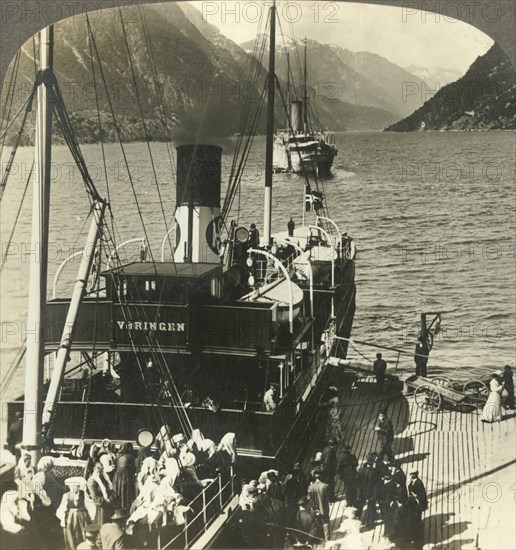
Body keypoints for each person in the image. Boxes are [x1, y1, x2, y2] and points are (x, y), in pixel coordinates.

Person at [56, 477, 91, 550]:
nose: (74, 488)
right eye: (72, 486)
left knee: (83, 534)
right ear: (69, 487)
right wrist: (63, 520)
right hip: (71, 518)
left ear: (79, 486)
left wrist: (91, 516)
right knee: (72, 536)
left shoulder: (83, 494)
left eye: (76, 486)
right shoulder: (66, 495)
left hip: (82, 517)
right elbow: (61, 509)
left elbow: (89, 505)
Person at [307, 468, 330, 540]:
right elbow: (327, 498)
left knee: (316, 523)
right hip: (324, 508)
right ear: (321, 476)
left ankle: (318, 539)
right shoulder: (325, 486)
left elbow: (308, 498)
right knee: (325, 523)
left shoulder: (310, 487)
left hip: (314, 509)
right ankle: (327, 539)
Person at [113, 442, 136, 510]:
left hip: (117, 476)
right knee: (126, 492)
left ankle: (119, 508)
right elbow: (133, 468)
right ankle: (126, 508)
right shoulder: (130, 456)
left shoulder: (118, 456)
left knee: (119, 491)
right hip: (126, 476)